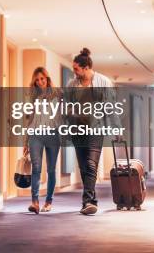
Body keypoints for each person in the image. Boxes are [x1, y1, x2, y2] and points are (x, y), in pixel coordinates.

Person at [65, 48, 119, 215]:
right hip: (77, 130)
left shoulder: (103, 82)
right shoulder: (72, 85)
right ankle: (87, 201)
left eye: (76, 69)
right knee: (83, 166)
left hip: (96, 129)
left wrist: (116, 129)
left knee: (91, 164)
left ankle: (89, 201)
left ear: (86, 67)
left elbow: (110, 107)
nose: (74, 72)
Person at [23, 67, 61, 214]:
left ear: (47, 78)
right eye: (37, 80)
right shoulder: (32, 96)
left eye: (42, 79)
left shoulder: (58, 94)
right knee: (36, 168)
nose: (40, 82)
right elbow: (29, 119)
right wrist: (26, 141)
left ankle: (49, 202)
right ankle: (35, 202)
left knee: (51, 170)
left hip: (53, 135)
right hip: (36, 135)